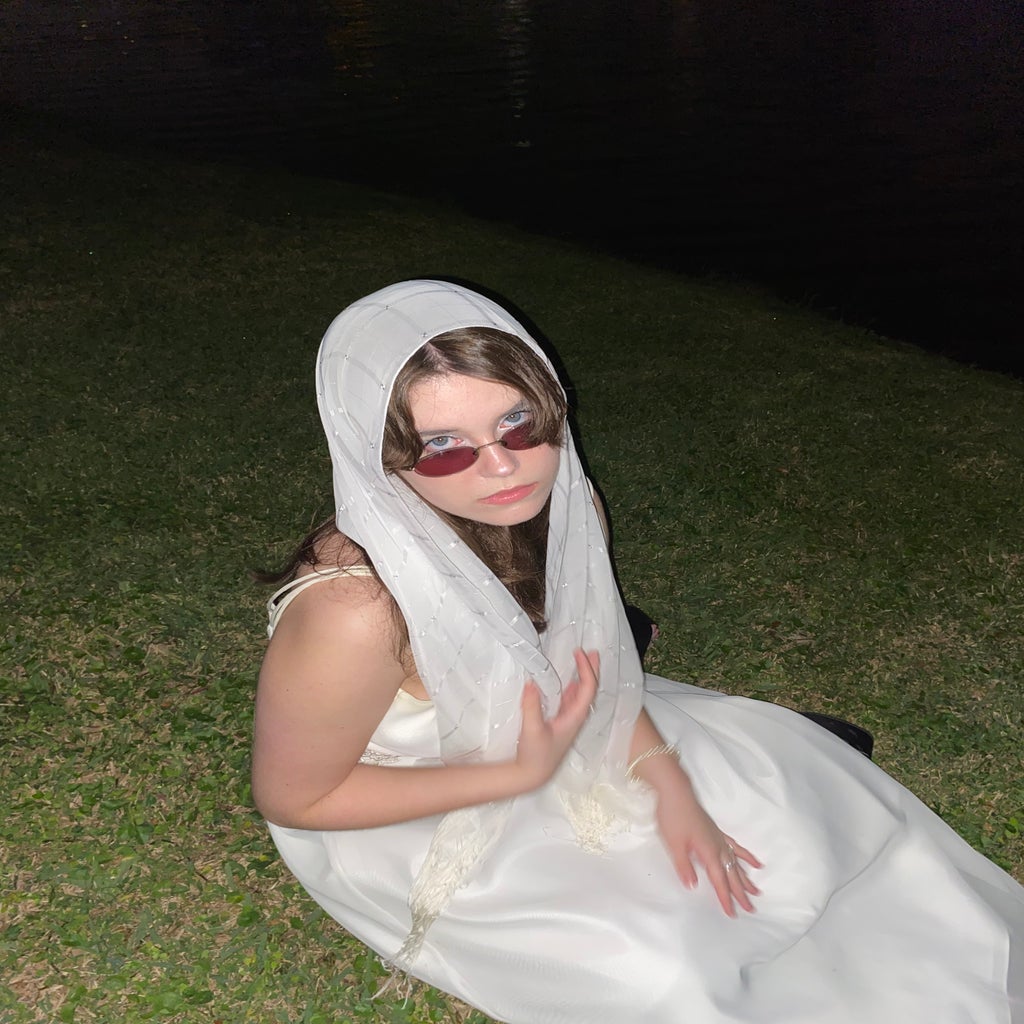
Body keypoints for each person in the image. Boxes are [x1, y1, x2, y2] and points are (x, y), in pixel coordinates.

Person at [253, 280, 1024, 1024]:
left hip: (552, 724)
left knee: (802, 808)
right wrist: (518, 772)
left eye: (521, 424)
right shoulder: (353, 610)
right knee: (669, 972)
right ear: (379, 456)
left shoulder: (569, 502)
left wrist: (672, 785)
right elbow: (298, 799)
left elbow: (595, 663)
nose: (503, 467)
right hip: (409, 802)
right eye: (445, 449)